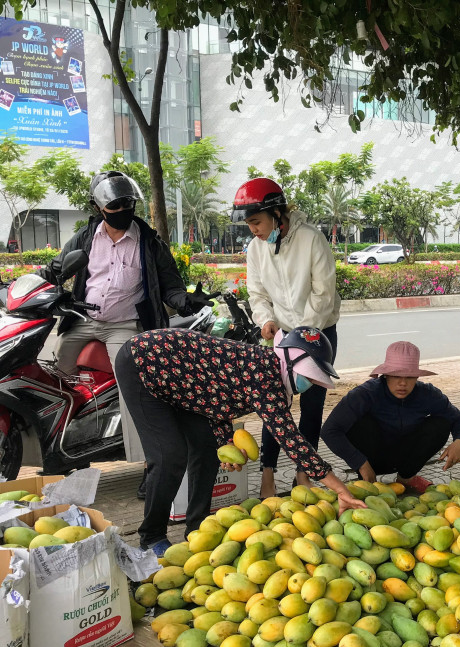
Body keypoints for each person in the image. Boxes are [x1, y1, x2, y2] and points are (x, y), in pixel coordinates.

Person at [114, 326, 364, 555]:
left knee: (208, 449)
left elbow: (214, 400)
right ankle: (152, 536)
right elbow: (292, 441)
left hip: (184, 380)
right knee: (169, 455)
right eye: (309, 376)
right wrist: (340, 489)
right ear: (291, 362)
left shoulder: (268, 369)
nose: (309, 383)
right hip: (142, 363)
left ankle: (197, 527)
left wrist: (226, 442)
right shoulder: (265, 376)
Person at [38, 171, 211, 495]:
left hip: (124, 325)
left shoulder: (149, 242)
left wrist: (185, 301)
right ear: (99, 208)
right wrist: (24, 287)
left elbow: (170, 285)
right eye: (114, 206)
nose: (122, 210)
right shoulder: (86, 237)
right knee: (56, 378)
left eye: (127, 204)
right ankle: (66, 450)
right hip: (84, 319)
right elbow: (55, 270)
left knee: (134, 389)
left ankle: (151, 465)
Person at [232, 177, 342, 498]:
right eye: (249, 224)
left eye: (256, 222)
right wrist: (266, 319)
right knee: (273, 404)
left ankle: (303, 474)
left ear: (276, 213)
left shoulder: (311, 239)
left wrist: (304, 335)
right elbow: (257, 293)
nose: (253, 230)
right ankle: (267, 474)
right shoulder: (256, 248)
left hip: (318, 334)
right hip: (280, 336)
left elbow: (323, 293)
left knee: (311, 406)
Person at [322, 341, 460, 494]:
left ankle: (406, 478)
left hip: (407, 457)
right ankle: (366, 478)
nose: (402, 383)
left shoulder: (428, 394)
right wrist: (360, 463)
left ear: (417, 377)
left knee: (441, 424)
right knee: (360, 423)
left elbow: (458, 418)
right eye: (396, 376)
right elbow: (329, 431)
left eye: (409, 377)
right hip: (372, 458)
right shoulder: (365, 394)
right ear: (386, 375)